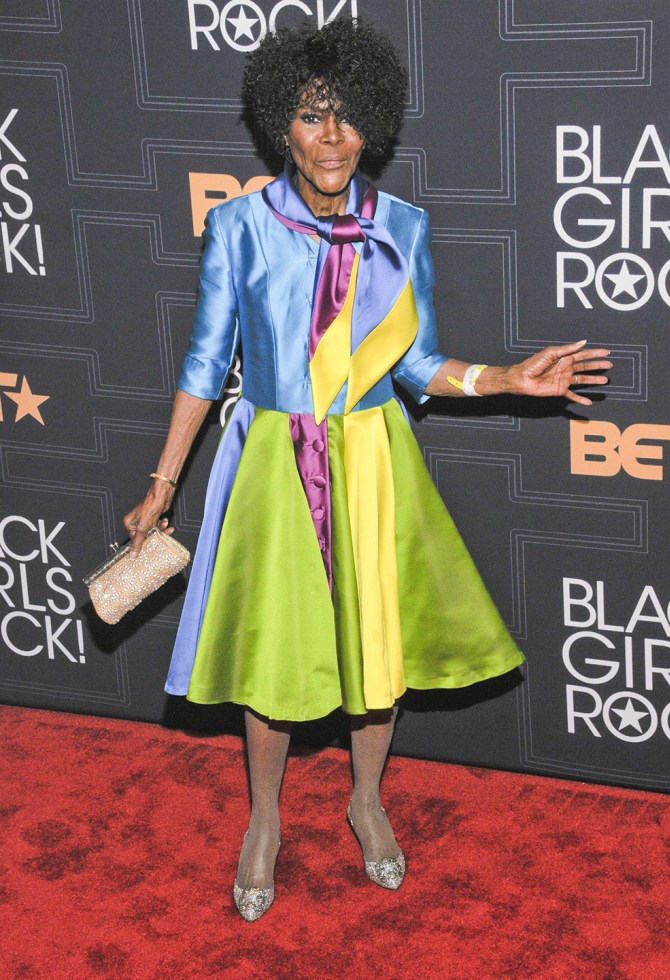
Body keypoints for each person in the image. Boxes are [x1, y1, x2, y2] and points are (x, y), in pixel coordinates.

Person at [123, 17, 610, 922]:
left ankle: (365, 798)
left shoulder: (403, 229)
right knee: (276, 655)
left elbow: (418, 367)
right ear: (281, 125)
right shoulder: (238, 226)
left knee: (373, 648)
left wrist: (506, 377)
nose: (333, 138)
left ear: (373, 123)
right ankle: (264, 818)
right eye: (311, 118)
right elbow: (203, 366)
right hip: (272, 459)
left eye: (348, 117)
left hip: (375, 459)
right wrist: (161, 488)